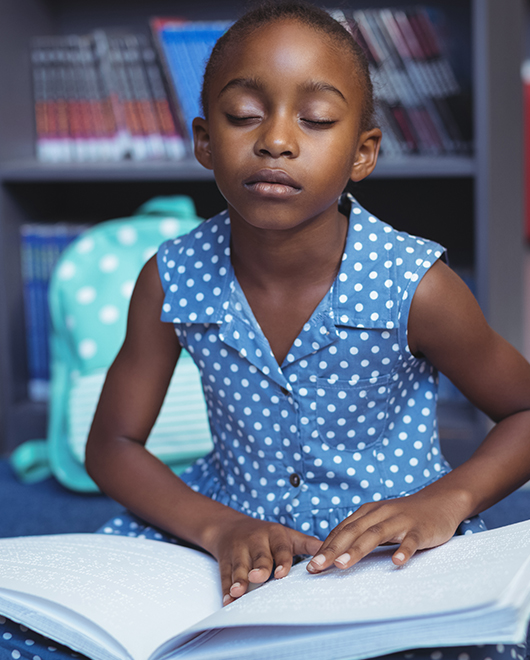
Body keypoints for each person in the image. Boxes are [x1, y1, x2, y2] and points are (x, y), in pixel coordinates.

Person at [2, 2, 529, 659]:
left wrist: (445, 501)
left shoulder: (416, 284)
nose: (276, 140)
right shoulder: (171, 277)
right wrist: (219, 529)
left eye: (316, 119)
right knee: (49, 637)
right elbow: (111, 444)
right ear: (202, 141)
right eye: (245, 114)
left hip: (390, 550)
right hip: (220, 535)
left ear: (363, 152)